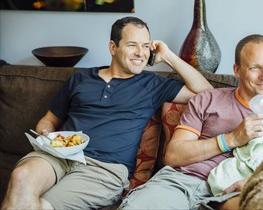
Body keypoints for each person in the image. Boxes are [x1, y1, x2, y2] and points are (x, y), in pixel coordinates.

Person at [0, 16, 213, 210]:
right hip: (58, 154)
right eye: (132, 45)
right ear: (113, 47)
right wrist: (46, 133)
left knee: (44, 206)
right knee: (21, 176)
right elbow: (48, 120)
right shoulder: (81, 79)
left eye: (146, 46)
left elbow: (209, 95)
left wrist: (168, 56)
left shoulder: (153, 84)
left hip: (104, 169)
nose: (141, 53)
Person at [118, 34, 263, 210]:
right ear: (237, 70)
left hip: (237, 187)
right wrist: (231, 139)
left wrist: (256, 182)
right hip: (182, 182)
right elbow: (173, 155)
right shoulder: (207, 99)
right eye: (254, 67)